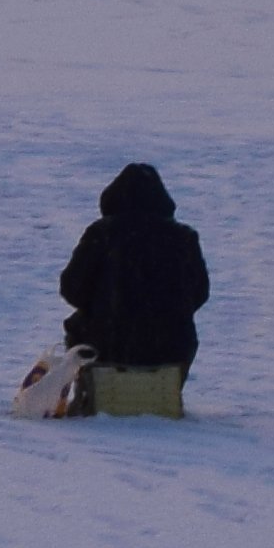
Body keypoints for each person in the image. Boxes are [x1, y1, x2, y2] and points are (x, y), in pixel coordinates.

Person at [57, 161, 208, 418]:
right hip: (171, 349)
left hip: (108, 345)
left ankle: (92, 392)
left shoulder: (102, 233)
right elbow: (200, 292)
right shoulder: (184, 238)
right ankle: (164, 391)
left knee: (77, 325)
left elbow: (73, 288)